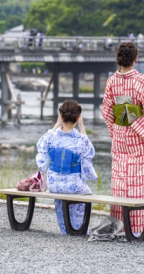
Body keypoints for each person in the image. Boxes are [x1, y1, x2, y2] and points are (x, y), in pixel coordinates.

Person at [101, 42, 144, 236]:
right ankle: (135, 230)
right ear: (136, 58)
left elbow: (107, 111)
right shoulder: (142, 81)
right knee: (137, 181)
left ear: (118, 58)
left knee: (119, 181)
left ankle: (118, 227)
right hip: (138, 138)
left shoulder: (112, 81)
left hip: (120, 137)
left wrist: (117, 129)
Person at [36, 100, 97, 235]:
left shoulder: (50, 137)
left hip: (54, 185)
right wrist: (82, 126)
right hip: (73, 185)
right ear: (77, 118)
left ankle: (65, 230)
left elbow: (41, 151)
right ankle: (79, 229)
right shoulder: (80, 139)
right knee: (85, 191)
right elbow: (89, 153)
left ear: (61, 116)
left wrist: (57, 124)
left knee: (60, 198)